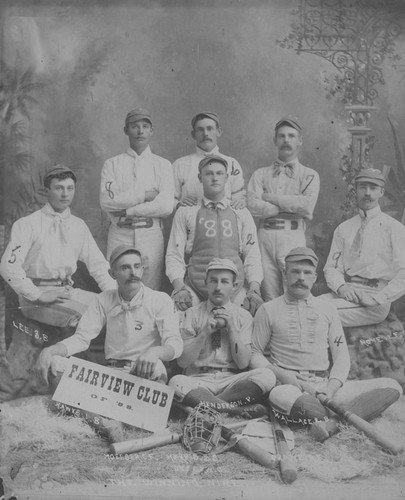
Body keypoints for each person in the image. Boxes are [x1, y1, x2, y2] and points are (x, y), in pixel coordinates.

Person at [250, 247, 402, 441]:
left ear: (314, 277)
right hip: (291, 386)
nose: (301, 278)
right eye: (295, 271)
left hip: (325, 387)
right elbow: (254, 353)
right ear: (284, 274)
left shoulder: (328, 309)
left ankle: (331, 424)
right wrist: (281, 374)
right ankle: (340, 413)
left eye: (307, 273)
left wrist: (330, 388)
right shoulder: (268, 309)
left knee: (391, 386)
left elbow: (341, 356)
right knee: (281, 397)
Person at [36, 245, 183, 386]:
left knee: (156, 366)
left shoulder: (160, 299)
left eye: (137, 266)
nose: (133, 273)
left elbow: (175, 344)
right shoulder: (103, 299)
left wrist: (155, 352)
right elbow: (81, 338)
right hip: (111, 374)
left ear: (142, 269)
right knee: (54, 362)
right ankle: (95, 410)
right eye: (125, 268)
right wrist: (51, 350)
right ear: (112, 274)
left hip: (144, 373)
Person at [0, 164, 115, 329]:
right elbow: (7, 267)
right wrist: (38, 295)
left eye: (70, 188)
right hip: (35, 299)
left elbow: (99, 266)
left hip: (68, 293)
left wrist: (117, 295)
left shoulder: (78, 226)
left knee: (115, 310)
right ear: (47, 191)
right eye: (59, 188)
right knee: (89, 317)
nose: (65, 194)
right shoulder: (27, 224)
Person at [168, 258, 276, 418]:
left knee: (267, 376)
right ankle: (235, 410)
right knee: (176, 382)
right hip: (199, 378)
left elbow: (243, 363)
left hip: (231, 381)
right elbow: (183, 362)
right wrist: (204, 333)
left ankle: (207, 405)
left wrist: (232, 328)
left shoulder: (243, 316)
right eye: (213, 281)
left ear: (234, 286)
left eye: (224, 282)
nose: (218, 287)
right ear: (206, 283)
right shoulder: (192, 313)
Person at [166, 155, 263, 315]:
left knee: (254, 311)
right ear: (200, 177)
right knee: (175, 311)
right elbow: (173, 254)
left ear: (226, 178)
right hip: (196, 286)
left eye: (219, 173)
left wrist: (254, 287)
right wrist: (179, 287)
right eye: (209, 173)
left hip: (234, 288)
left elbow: (252, 255)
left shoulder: (241, 212)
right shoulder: (186, 210)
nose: (214, 178)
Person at [100, 108, 174, 290]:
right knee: (115, 288)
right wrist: (144, 194)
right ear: (126, 130)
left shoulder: (162, 164)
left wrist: (128, 210)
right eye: (134, 126)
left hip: (151, 235)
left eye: (145, 126)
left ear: (151, 130)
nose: (140, 131)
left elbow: (165, 206)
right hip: (119, 233)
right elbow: (107, 202)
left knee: (149, 290)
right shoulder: (112, 164)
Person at [247, 117, 320, 301]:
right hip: (265, 236)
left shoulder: (309, 175)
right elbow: (252, 205)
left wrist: (270, 198)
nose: (286, 140)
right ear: (275, 140)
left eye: (291, 136)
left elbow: (306, 206)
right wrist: (284, 206)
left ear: (300, 141)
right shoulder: (260, 174)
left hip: (292, 235)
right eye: (281, 136)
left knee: (296, 290)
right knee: (269, 294)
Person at [322, 168, 405, 327]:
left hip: (375, 299)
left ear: (381, 192)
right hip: (347, 293)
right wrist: (341, 287)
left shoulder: (394, 228)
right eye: (363, 187)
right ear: (355, 190)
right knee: (305, 306)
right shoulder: (344, 229)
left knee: (316, 312)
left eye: (373, 188)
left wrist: (378, 298)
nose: (367, 193)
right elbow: (331, 268)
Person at [173, 111, 246, 209]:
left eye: (210, 129)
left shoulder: (232, 163)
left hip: (224, 220)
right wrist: (178, 204)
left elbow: (240, 198)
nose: (206, 134)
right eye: (200, 130)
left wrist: (240, 202)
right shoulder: (180, 164)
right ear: (193, 134)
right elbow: (170, 199)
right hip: (190, 220)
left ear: (219, 131)